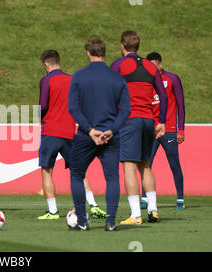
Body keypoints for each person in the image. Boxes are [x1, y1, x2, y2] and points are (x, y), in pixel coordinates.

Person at [68, 37, 131, 231]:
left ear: (88, 52)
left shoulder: (78, 76)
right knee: (112, 178)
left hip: (86, 135)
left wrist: (90, 130)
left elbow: (72, 108)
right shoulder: (117, 77)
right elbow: (126, 110)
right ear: (104, 53)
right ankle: (111, 221)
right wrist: (111, 131)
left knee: (77, 175)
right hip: (110, 136)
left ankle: (82, 221)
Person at [36, 50, 106, 220]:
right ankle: (94, 205)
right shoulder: (72, 79)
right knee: (78, 170)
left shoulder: (47, 80)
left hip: (51, 131)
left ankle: (52, 212)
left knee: (47, 171)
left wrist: (40, 118)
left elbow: (43, 105)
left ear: (46, 65)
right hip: (69, 132)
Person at [110, 30, 168, 225]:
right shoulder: (151, 67)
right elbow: (163, 95)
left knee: (129, 166)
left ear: (122, 46)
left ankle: (135, 215)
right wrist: (161, 121)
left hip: (129, 120)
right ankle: (153, 210)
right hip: (148, 120)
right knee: (145, 165)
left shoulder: (119, 64)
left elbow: (109, 91)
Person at [141, 52, 186, 210]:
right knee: (146, 163)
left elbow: (180, 104)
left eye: (153, 65)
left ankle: (180, 198)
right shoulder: (146, 80)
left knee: (174, 164)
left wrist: (181, 129)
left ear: (160, 64)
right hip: (150, 130)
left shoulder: (172, 79)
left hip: (169, 130)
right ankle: (144, 198)